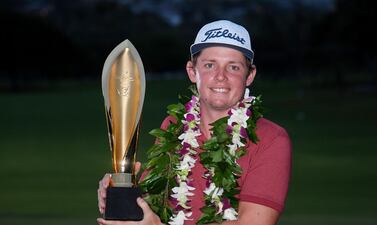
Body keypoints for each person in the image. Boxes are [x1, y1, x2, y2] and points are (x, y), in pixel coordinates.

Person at [97, 20, 291, 225]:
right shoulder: (174, 126)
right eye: (209, 65)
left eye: (233, 67)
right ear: (192, 71)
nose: (220, 77)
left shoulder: (271, 138)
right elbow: (153, 204)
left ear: (249, 76)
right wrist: (122, 191)